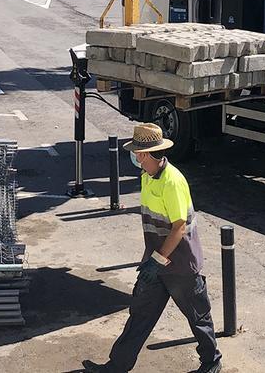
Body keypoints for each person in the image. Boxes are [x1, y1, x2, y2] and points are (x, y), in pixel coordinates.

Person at [84, 123, 222, 373]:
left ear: (144, 154)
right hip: (156, 262)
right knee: (140, 314)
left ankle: (211, 363)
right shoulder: (147, 176)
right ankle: (117, 365)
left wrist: (157, 260)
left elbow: (179, 227)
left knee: (198, 317)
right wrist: (153, 260)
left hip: (180, 264)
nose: (135, 156)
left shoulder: (172, 181)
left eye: (137, 152)